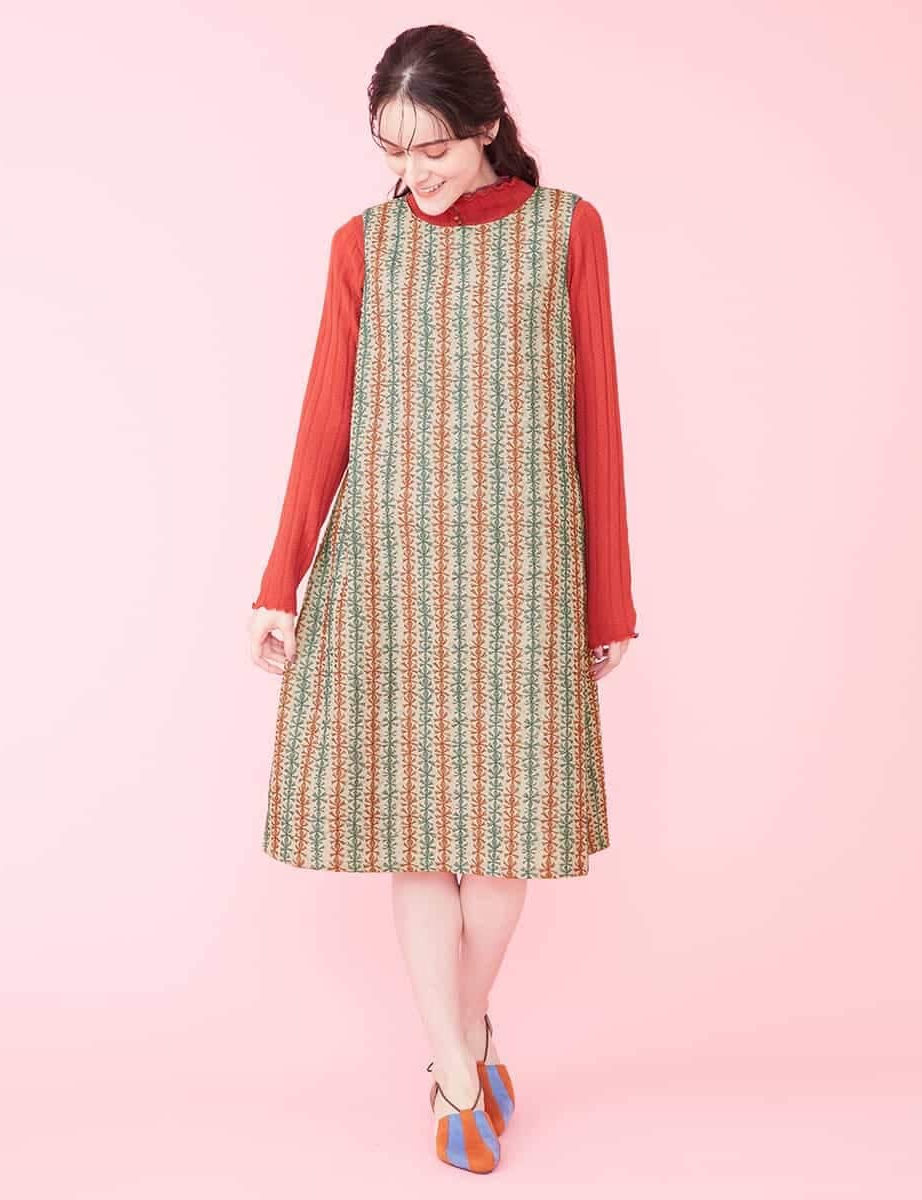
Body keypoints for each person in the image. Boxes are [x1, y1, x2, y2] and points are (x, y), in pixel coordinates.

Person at [247, 24, 640, 1173]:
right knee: (415, 836)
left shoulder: (567, 228)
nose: (412, 172)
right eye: (391, 149)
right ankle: (456, 1073)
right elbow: (324, 420)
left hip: (524, 575)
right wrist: (279, 584)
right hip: (390, 574)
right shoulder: (362, 245)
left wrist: (608, 601)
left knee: (504, 850)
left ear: (484, 129)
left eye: (433, 149)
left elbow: (598, 421)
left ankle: (456, 1032)